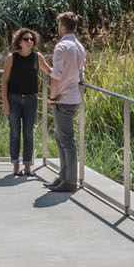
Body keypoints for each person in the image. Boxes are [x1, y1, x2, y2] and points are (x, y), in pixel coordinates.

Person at [46, 11, 88, 193]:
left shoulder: (62, 47)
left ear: (61, 26)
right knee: (61, 137)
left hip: (63, 98)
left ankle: (69, 181)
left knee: (66, 140)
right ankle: (63, 176)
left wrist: (53, 96)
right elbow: (81, 74)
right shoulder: (79, 46)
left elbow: (56, 75)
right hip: (73, 96)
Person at [2, 27, 42, 177]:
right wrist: (5, 101)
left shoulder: (37, 57)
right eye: (26, 39)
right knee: (14, 132)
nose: (30, 41)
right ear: (19, 41)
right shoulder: (11, 57)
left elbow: (50, 71)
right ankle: (15, 165)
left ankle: (27, 166)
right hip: (14, 98)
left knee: (28, 133)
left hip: (31, 99)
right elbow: (4, 80)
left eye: (32, 39)